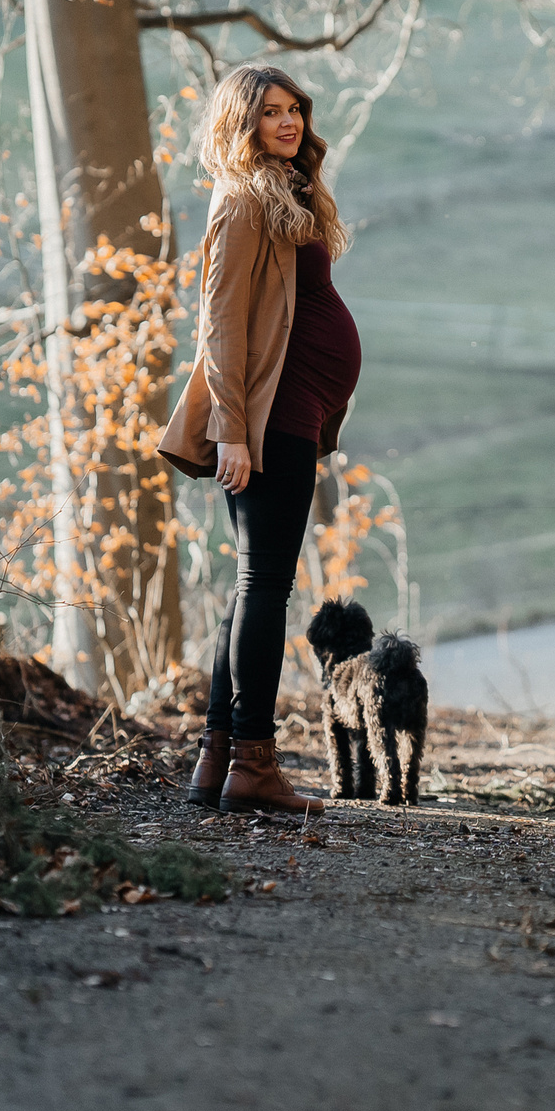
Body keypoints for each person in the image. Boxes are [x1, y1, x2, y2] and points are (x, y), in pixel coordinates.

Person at [159, 65, 363, 814]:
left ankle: (218, 760)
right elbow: (219, 324)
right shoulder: (244, 202)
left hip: (292, 409)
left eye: (294, 111)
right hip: (267, 417)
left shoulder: (285, 193)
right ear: (240, 124)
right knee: (265, 588)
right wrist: (234, 435)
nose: (287, 123)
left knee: (253, 587)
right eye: (270, 112)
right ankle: (255, 763)